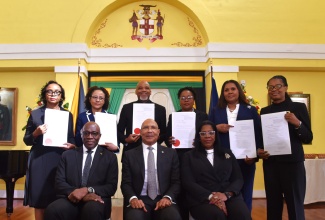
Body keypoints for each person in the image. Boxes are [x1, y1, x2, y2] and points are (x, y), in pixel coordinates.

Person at [258, 75, 313, 220]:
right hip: (271, 164)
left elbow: (308, 137)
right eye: (270, 87)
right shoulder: (265, 111)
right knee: (273, 204)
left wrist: (297, 123)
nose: (274, 90)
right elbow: (262, 137)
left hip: (292, 164)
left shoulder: (298, 108)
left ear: (285, 88)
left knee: (295, 204)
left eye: (277, 86)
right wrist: (260, 151)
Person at [23, 80, 75, 220]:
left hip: (59, 159)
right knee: (40, 200)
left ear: (61, 96)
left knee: (57, 198)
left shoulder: (67, 115)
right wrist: (36, 133)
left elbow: (71, 137)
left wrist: (72, 145)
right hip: (39, 159)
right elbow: (27, 140)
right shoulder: (35, 114)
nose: (53, 94)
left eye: (57, 92)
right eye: (49, 91)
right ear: (44, 94)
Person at [44, 122, 118, 220]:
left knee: (92, 210)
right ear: (81, 135)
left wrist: (88, 190)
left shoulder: (110, 157)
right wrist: (78, 194)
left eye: (94, 133)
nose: (90, 136)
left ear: (99, 136)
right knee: (52, 209)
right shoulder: (67, 155)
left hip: (96, 199)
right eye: (86, 133)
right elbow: (59, 183)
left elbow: (111, 187)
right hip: (71, 198)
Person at [209, 79, 263, 213]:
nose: (230, 92)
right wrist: (216, 128)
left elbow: (258, 134)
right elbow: (207, 130)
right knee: (223, 193)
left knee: (245, 192)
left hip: (246, 160)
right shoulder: (216, 110)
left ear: (238, 91)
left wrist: (254, 156)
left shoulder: (250, 110)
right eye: (226, 90)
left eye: (233, 89)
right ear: (223, 93)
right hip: (222, 160)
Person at [181, 120, 251, 220]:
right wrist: (211, 197)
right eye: (203, 133)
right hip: (202, 199)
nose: (207, 136)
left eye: (211, 133)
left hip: (228, 196)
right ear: (198, 137)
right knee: (218, 215)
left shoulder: (227, 153)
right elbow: (188, 182)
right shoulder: (189, 156)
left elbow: (238, 178)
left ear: (216, 135)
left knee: (242, 214)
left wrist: (226, 195)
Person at [121, 118, 182, 220]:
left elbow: (176, 182)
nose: (149, 131)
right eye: (145, 128)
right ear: (140, 132)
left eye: (153, 128)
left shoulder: (171, 154)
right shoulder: (129, 155)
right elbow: (126, 183)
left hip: (163, 198)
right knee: (134, 217)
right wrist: (133, 199)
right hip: (139, 199)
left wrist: (167, 197)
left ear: (158, 132)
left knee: (172, 216)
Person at [165, 86, 208, 219]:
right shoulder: (174, 116)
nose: (186, 100)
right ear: (179, 100)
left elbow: (208, 136)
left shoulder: (202, 115)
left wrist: (199, 142)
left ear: (194, 99)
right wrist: (169, 140)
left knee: (197, 188)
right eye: (183, 98)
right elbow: (167, 137)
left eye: (189, 97)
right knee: (182, 190)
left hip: (197, 158)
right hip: (179, 158)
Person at [117, 80, 166, 159]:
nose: (143, 90)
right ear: (136, 92)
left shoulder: (160, 109)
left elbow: (164, 133)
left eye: (146, 88)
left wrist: (155, 138)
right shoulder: (127, 108)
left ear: (150, 92)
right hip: (130, 152)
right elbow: (119, 131)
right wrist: (126, 139)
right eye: (140, 88)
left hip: (153, 152)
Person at [75, 86, 119, 153]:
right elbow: (77, 140)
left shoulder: (110, 117)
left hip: (106, 153)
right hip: (86, 152)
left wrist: (116, 147)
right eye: (95, 97)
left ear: (104, 101)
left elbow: (116, 137)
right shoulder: (82, 116)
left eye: (101, 98)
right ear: (89, 99)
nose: (97, 100)